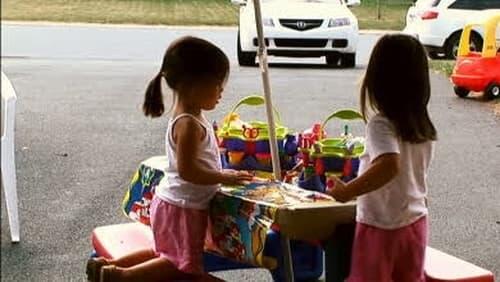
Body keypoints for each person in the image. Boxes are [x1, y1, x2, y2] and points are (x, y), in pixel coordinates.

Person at [86, 36, 253, 282]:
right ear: (193, 85)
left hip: (174, 203)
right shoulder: (188, 124)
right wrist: (223, 175)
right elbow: (188, 171)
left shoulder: (188, 116)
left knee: (162, 253)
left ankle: (106, 266)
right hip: (184, 208)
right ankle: (121, 277)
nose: (221, 91)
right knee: (181, 266)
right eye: (217, 84)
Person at [326, 34, 437, 282]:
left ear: (377, 80)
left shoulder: (381, 124)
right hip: (416, 222)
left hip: (380, 225)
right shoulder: (422, 125)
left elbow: (389, 165)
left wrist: (347, 191)